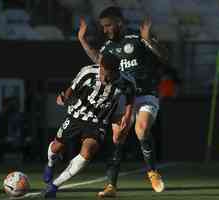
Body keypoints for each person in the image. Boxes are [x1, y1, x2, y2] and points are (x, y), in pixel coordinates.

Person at [78, 6, 169, 197]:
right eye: (102, 27)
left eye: (108, 25)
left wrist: (148, 40)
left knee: (141, 129)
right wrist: (83, 41)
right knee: (118, 138)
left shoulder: (137, 39)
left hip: (145, 94)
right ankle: (111, 186)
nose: (104, 30)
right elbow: (99, 62)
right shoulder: (108, 47)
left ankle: (153, 173)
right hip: (122, 97)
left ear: (119, 23)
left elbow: (163, 56)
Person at [41, 53, 136, 198]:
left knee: (87, 154)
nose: (103, 77)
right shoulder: (88, 72)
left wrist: (127, 116)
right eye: (102, 72)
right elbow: (71, 89)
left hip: (98, 122)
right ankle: (50, 163)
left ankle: (54, 186)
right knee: (56, 147)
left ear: (116, 71)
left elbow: (130, 98)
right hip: (76, 115)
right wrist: (64, 98)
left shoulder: (127, 81)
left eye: (107, 75)